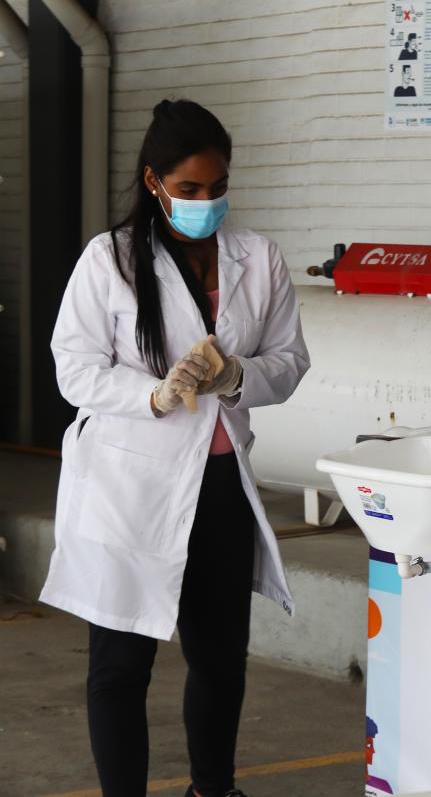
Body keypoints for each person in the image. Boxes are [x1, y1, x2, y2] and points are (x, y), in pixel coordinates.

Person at [40, 99, 311, 797]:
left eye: (218, 187)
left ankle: (212, 791)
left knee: (221, 660)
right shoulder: (110, 260)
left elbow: (289, 361)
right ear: (153, 181)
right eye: (189, 190)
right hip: (132, 489)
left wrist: (237, 376)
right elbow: (72, 365)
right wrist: (151, 396)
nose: (206, 202)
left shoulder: (260, 258)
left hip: (220, 490)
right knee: (121, 667)